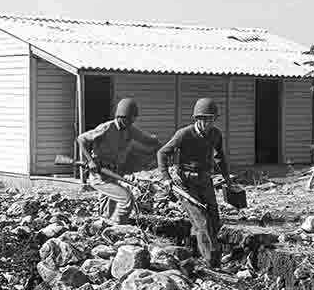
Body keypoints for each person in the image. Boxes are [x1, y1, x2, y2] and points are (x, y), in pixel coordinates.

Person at [157, 98, 234, 267]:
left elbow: (220, 157)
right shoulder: (184, 134)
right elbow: (163, 153)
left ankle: (193, 247)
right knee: (201, 220)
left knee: (214, 218)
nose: (208, 123)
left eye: (211, 119)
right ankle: (212, 262)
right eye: (204, 119)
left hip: (205, 179)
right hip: (185, 182)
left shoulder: (215, 134)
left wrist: (227, 179)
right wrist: (166, 178)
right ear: (197, 119)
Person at [77, 98, 160, 224]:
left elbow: (147, 139)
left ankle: (106, 229)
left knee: (107, 210)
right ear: (121, 117)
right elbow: (81, 139)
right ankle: (117, 229)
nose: (132, 122)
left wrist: (162, 145)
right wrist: (90, 161)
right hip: (100, 175)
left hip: (114, 174)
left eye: (133, 119)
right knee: (126, 198)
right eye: (129, 119)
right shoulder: (106, 128)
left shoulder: (130, 130)